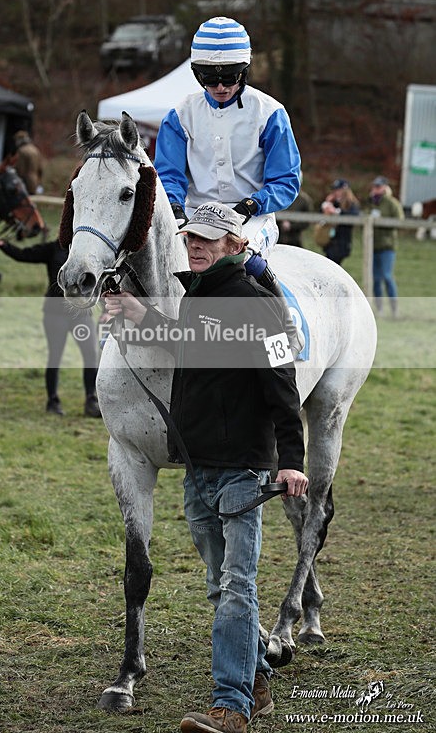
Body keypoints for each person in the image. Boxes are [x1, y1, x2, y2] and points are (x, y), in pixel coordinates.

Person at [104, 202, 308, 733]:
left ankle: (232, 708)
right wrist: (137, 314)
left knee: (238, 587)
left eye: (209, 240)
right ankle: (257, 681)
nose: (195, 246)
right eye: (192, 237)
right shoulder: (200, 296)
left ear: (236, 246)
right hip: (198, 469)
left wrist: (292, 462)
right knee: (221, 586)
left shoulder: (259, 304)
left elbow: (283, 382)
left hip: (241, 470)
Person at [154, 16, 302, 353]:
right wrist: (175, 208)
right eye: (210, 78)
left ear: (245, 71)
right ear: (197, 74)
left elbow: (287, 180)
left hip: (251, 216)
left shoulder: (270, 113)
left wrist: (251, 205)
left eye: (230, 78)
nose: (220, 86)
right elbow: (169, 174)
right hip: (194, 217)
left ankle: (285, 327)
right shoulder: (179, 115)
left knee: (243, 257)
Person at [0, 235, 101, 417]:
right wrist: (3, 245)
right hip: (55, 313)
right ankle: (52, 401)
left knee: (91, 354)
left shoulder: (88, 249)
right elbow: (23, 255)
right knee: (55, 357)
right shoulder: (53, 248)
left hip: (81, 314)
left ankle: (91, 400)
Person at [364, 176, 404, 317]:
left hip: (387, 246)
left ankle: (394, 309)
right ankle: (379, 309)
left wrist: (382, 221)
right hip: (373, 246)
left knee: (387, 276)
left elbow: (399, 220)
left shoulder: (392, 203)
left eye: (378, 186)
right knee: (375, 279)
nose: (375, 189)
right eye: (374, 186)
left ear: (384, 188)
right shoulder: (370, 203)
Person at [319, 178, 360, 265]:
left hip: (342, 241)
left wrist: (336, 212)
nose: (335, 192)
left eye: (338, 190)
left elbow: (353, 216)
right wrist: (327, 203)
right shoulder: (333, 201)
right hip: (330, 241)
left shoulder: (351, 203)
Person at [278, 173, 314, 247]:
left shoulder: (305, 200)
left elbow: (307, 222)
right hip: (278, 239)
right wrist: (281, 222)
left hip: (295, 240)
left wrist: (291, 226)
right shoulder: (280, 196)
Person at [12, 130, 44, 194]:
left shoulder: (21, 151)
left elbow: (20, 170)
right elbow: (40, 169)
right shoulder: (35, 150)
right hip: (35, 182)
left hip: (25, 183)